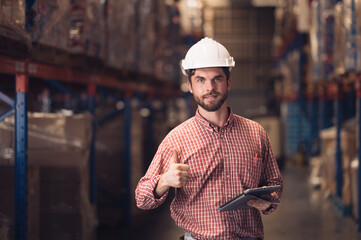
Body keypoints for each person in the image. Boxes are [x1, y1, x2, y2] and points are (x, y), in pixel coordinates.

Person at [135, 37, 283, 240]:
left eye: (217, 78)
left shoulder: (255, 132)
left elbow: (275, 184)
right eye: (201, 80)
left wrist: (267, 202)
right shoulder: (176, 139)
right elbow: (142, 199)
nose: (209, 87)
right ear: (190, 86)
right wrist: (164, 181)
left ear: (228, 82)